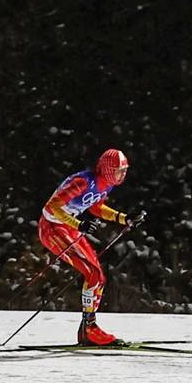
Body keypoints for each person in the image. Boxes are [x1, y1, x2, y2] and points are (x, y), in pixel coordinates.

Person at [39, 148, 135, 345]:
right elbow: (52, 207)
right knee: (92, 272)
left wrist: (123, 218)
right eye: (119, 170)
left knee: (97, 275)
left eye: (124, 170)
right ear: (107, 169)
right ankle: (89, 329)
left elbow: (95, 206)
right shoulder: (83, 181)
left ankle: (89, 328)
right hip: (52, 227)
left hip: (68, 226)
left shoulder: (106, 184)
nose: (122, 175)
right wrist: (78, 224)